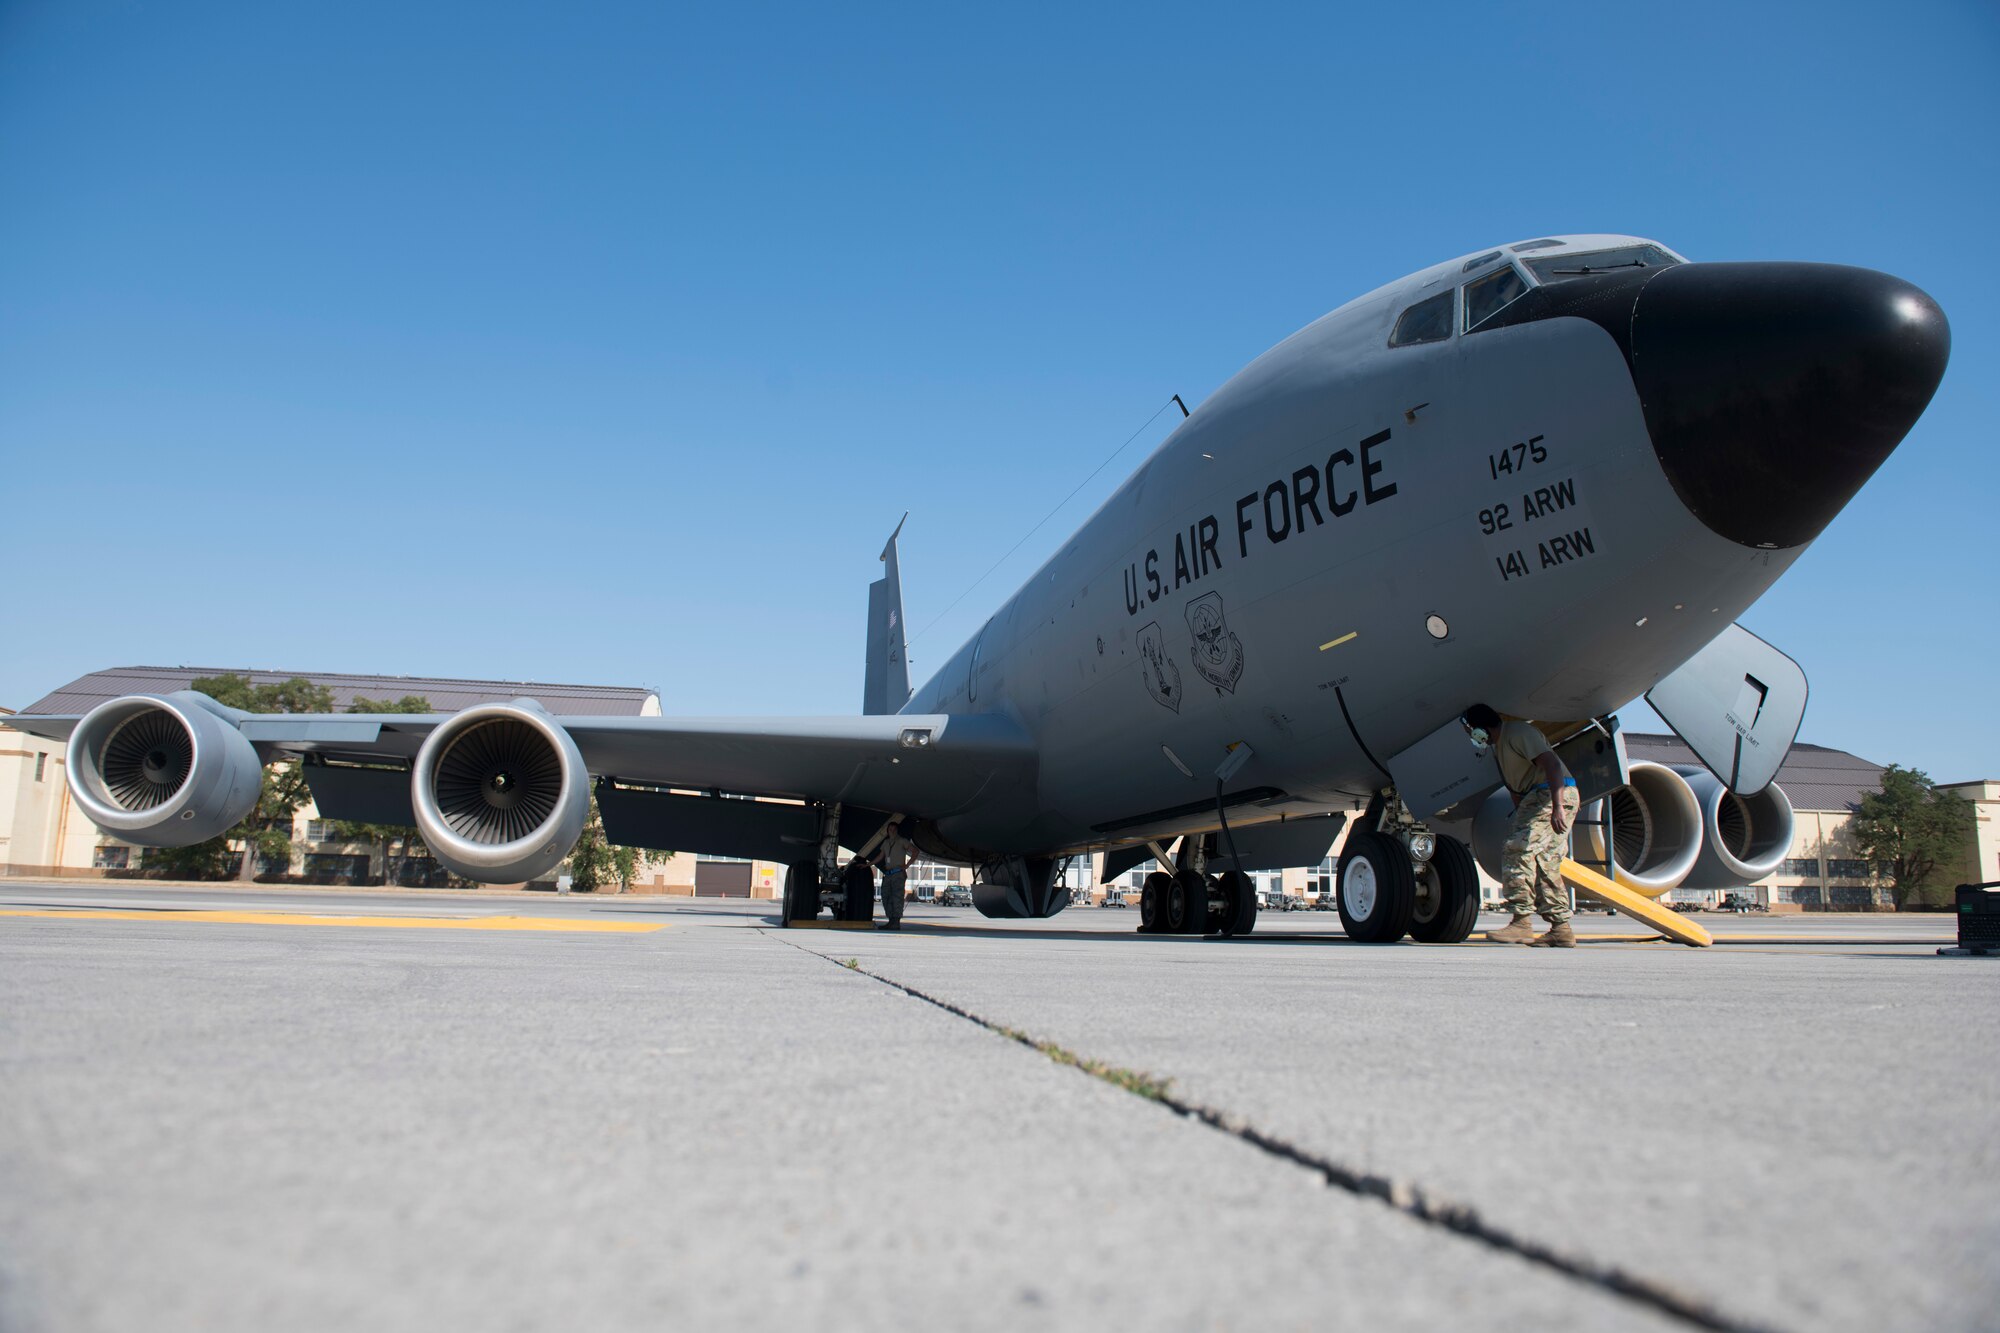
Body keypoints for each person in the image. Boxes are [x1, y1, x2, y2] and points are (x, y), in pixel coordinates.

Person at [1463, 704, 1579, 948]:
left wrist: (1558, 806)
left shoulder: (1517, 734)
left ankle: (1521, 922)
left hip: (1551, 793)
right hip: (1537, 796)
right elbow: (1516, 789)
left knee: (1516, 849)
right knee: (1546, 861)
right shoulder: (1499, 748)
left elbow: (1553, 765)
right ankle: (1561, 929)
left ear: (1482, 728)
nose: (1472, 736)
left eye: (1472, 730)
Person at [872, 817, 912, 931]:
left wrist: (907, 865)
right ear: (888, 831)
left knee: (897, 897)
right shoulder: (886, 842)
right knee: (886, 896)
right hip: (888, 874)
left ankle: (896, 922)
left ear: (897, 830)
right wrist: (868, 864)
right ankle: (891, 920)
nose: (892, 831)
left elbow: (915, 851)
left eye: (894, 829)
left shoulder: (902, 841)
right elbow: (881, 856)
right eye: (890, 829)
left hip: (898, 873)